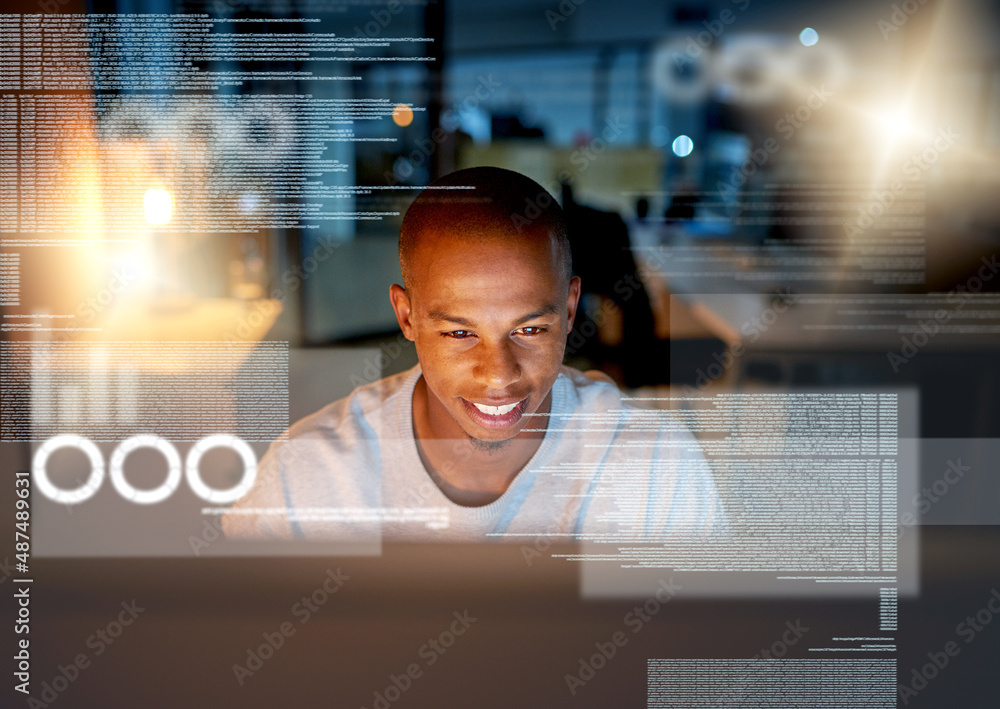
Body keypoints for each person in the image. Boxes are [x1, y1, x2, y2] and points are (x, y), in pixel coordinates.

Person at [222, 167, 726, 541]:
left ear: (570, 310)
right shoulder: (306, 478)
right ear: (407, 317)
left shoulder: (657, 468)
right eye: (460, 334)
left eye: (529, 329)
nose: (498, 376)